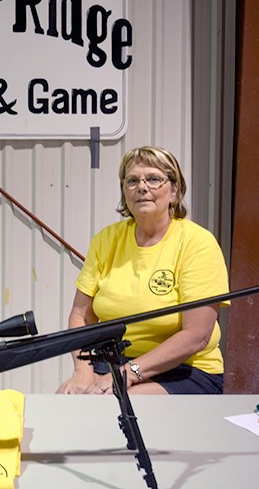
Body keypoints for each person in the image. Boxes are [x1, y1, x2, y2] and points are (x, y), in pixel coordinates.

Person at [57, 146, 229, 395]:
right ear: (124, 192)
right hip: (114, 362)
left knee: (114, 407)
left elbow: (196, 336)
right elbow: (81, 317)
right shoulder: (106, 240)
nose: (142, 187)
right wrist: (83, 370)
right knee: (63, 402)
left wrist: (129, 374)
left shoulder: (197, 243)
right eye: (132, 180)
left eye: (154, 179)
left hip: (186, 369)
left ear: (174, 190)